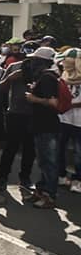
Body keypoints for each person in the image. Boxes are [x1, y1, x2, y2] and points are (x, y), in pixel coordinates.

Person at [23, 47, 61, 209]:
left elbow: (53, 102)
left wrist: (33, 98)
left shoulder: (47, 78)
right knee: (43, 161)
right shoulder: (45, 77)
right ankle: (41, 189)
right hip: (41, 125)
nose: (32, 63)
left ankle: (49, 195)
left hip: (47, 125)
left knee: (48, 161)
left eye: (35, 60)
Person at [0, 45, 37, 193]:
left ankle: (25, 178)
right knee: (10, 147)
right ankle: (2, 177)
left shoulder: (41, 69)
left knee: (30, 149)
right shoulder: (13, 67)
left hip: (34, 114)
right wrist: (10, 78)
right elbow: (0, 87)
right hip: (15, 112)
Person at [57, 49, 81, 194]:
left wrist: (69, 104)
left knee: (79, 153)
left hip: (79, 121)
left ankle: (78, 179)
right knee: (60, 148)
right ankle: (61, 175)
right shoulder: (64, 76)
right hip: (64, 118)